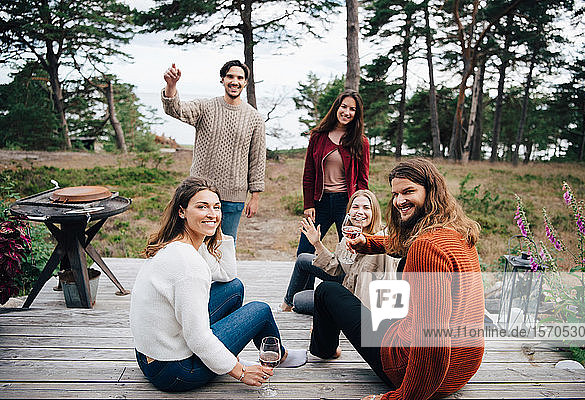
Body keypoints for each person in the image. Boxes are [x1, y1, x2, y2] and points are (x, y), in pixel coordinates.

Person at [309, 159, 485, 400]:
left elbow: (431, 343)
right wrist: (367, 242)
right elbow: (403, 243)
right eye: (395, 193)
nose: (399, 200)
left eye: (408, 191)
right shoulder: (458, 232)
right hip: (463, 367)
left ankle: (326, 350)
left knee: (328, 291)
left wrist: (399, 397)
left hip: (417, 373)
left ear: (431, 191)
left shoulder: (426, 248)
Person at [129, 177, 305, 392]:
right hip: (176, 371)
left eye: (217, 207)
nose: (212, 213)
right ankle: (278, 355)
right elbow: (197, 337)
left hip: (150, 356)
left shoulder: (178, 245)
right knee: (260, 310)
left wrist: (213, 226)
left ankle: (227, 353)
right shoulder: (189, 265)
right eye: (202, 207)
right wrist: (239, 370)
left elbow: (228, 275)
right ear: (182, 211)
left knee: (234, 288)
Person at [162, 60, 266, 242]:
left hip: (233, 197)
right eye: (230, 76)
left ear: (245, 83)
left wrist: (255, 196)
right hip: (199, 193)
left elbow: (257, 160)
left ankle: (227, 273)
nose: (235, 81)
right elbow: (175, 109)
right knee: (194, 243)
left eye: (240, 78)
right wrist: (171, 86)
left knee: (225, 246)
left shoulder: (255, 118)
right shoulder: (205, 107)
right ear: (222, 80)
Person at [281, 189, 399, 315]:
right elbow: (336, 268)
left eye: (366, 208)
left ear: (374, 212)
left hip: (359, 307)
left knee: (300, 302)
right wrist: (317, 243)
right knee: (299, 297)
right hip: (345, 292)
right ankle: (286, 307)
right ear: (349, 212)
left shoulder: (383, 239)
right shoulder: (348, 236)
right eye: (355, 207)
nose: (360, 212)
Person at [298, 89, 369, 255]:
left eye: (352, 109)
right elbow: (309, 173)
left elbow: (362, 181)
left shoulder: (361, 142)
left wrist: (361, 209)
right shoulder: (317, 136)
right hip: (319, 203)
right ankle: (303, 282)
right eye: (344, 107)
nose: (347, 112)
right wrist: (308, 204)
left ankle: (343, 282)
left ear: (357, 114)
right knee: (304, 252)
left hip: (346, 203)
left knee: (349, 252)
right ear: (337, 107)